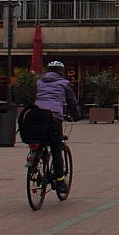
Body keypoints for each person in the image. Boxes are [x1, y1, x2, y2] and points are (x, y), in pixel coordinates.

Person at [33, 61, 80, 193]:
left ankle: (37, 162)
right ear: (61, 71)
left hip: (37, 116)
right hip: (53, 118)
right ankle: (60, 181)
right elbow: (72, 102)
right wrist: (77, 116)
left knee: (40, 142)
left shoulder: (39, 82)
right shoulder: (64, 83)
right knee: (56, 148)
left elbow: (35, 98)